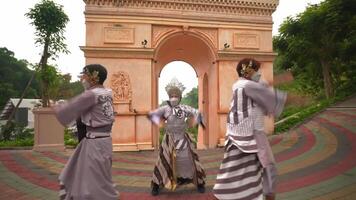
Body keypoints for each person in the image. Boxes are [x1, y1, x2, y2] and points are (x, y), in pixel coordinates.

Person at [213, 59, 287, 200]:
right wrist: (297, 99)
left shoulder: (240, 85)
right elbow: (272, 96)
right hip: (250, 138)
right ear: (248, 71)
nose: (259, 73)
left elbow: (263, 88)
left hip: (240, 138)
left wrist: (274, 81)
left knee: (235, 176)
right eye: (257, 70)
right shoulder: (249, 86)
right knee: (265, 172)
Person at [54, 64, 119, 200]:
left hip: (94, 144)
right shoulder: (108, 93)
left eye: (84, 76)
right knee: (97, 178)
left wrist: (56, 107)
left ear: (93, 78)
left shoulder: (91, 95)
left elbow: (68, 110)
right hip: (104, 141)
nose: (82, 79)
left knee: (94, 184)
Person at [148, 78, 206, 196]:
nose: (174, 97)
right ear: (169, 96)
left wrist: (192, 122)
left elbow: (198, 113)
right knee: (163, 160)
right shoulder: (165, 108)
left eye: (176, 95)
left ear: (180, 97)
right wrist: (160, 122)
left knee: (189, 159)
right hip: (169, 138)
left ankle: (199, 182)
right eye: (172, 95)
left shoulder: (184, 108)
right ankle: (156, 183)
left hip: (183, 138)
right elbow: (151, 115)